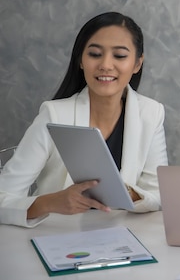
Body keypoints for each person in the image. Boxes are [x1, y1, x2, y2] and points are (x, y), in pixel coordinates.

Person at [0, 12, 168, 227]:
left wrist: (128, 193)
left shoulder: (151, 113)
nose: (106, 65)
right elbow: (3, 197)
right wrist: (50, 202)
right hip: (56, 238)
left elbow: (159, 195)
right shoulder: (54, 115)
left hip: (124, 239)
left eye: (119, 56)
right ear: (81, 60)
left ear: (137, 64)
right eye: (95, 54)